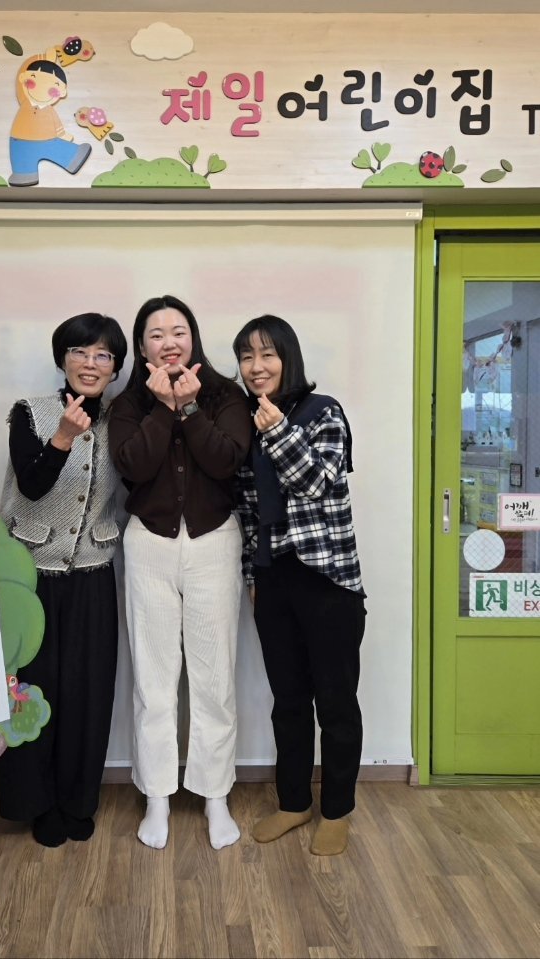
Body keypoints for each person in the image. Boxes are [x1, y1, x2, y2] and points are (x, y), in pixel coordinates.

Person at [108, 294, 251, 850]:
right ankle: (157, 798)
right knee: (154, 678)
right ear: (142, 347)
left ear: (193, 338)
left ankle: (216, 797)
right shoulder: (128, 404)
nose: (169, 343)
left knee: (214, 678)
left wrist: (189, 409)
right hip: (150, 544)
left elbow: (225, 460)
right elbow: (133, 466)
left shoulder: (224, 395)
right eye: (156, 335)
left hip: (215, 541)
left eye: (178, 332)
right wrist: (163, 407)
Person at [232, 315, 366, 857]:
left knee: (336, 703)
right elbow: (248, 512)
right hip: (273, 582)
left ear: (288, 358)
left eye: (267, 354)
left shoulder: (323, 412)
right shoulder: (245, 422)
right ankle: (294, 802)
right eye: (246, 356)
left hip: (329, 580)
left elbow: (315, 482)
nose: (256, 366)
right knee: (288, 701)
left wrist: (276, 432)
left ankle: (337, 810)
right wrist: (252, 577)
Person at [0, 312, 128, 847]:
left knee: (87, 692)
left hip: (93, 572)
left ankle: (78, 800)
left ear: (116, 367)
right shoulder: (30, 413)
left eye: (103, 355)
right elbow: (30, 485)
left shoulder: (124, 419)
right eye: (79, 352)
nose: (90, 364)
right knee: (31, 691)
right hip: (31, 575)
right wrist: (62, 439)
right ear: (62, 359)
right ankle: (36, 803)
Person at [8, 51, 92, 186]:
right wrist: (41, 57)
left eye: (53, 89)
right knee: (23, 159)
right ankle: (24, 174)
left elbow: (56, 124)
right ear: (23, 79)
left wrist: (62, 134)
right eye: (33, 81)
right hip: (21, 141)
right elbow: (23, 68)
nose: (43, 90)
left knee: (56, 146)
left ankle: (73, 157)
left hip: (46, 141)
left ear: (62, 92)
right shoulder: (24, 99)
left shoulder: (48, 111)